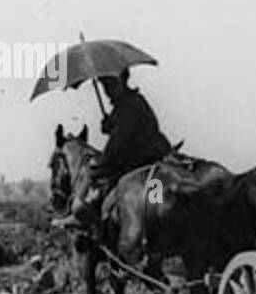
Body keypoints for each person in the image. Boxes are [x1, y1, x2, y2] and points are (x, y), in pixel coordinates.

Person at [55, 70, 173, 229]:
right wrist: (111, 125)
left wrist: (100, 165)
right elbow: (128, 131)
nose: (108, 90)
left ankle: (85, 217)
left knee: (94, 176)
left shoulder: (128, 106)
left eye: (112, 84)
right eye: (105, 85)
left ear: (124, 81)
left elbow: (118, 143)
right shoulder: (129, 102)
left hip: (141, 157)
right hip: (150, 153)